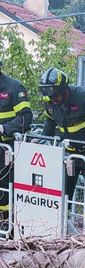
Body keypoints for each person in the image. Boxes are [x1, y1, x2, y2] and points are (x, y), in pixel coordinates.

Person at [38, 68, 85, 223]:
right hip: (69, 155)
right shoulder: (50, 100)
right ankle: (61, 223)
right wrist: (40, 139)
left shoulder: (82, 96)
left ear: (64, 90)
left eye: (56, 96)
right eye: (50, 97)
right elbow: (50, 121)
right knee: (64, 188)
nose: (54, 100)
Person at [0, 59, 33, 220]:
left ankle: (6, 221)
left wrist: (4, 128)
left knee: (4, 186)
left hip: (6, 147)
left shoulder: (13, 87)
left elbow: (26, 117)